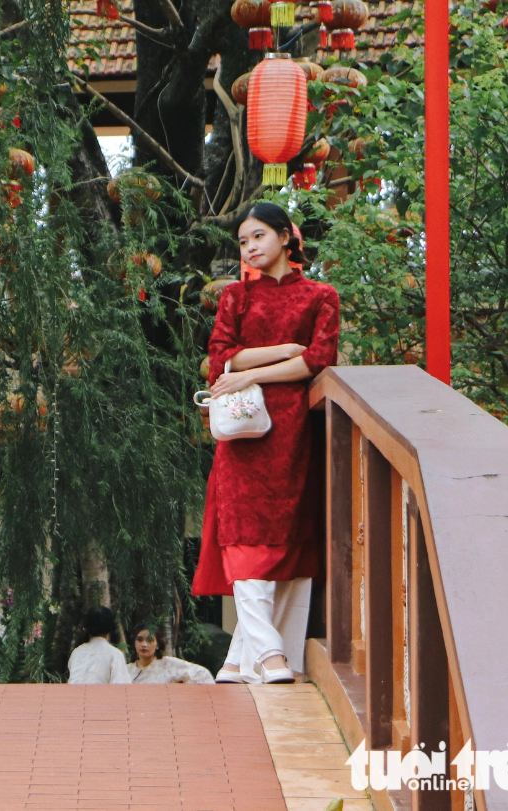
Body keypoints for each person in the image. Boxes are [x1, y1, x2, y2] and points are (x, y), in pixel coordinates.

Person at [191, 202, 339, 685]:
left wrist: (246, 369)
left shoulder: (321, 296)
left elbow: (317, 360)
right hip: (242, 434)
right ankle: (272, 654)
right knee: (244, 535)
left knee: (290, 540)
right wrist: (277, 353)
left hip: (294, 433)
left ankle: (238, 659)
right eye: (242, 242)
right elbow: (219, 360)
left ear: (284, 236)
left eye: (258, 236)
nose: (250, 247)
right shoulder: (235, 296)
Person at [126, 624, 214, 684]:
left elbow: (202, 675)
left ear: (157, 645)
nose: (144, 645)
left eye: (149, 640)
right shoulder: (126, 670)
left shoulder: (168, 664)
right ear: (134, 643)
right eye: (140, 640)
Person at [67, 606, 131, 684]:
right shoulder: (114, 654)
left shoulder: (77, 652)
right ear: (110, 628)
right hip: (98, 695)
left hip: (72, 695)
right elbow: (121, 686)